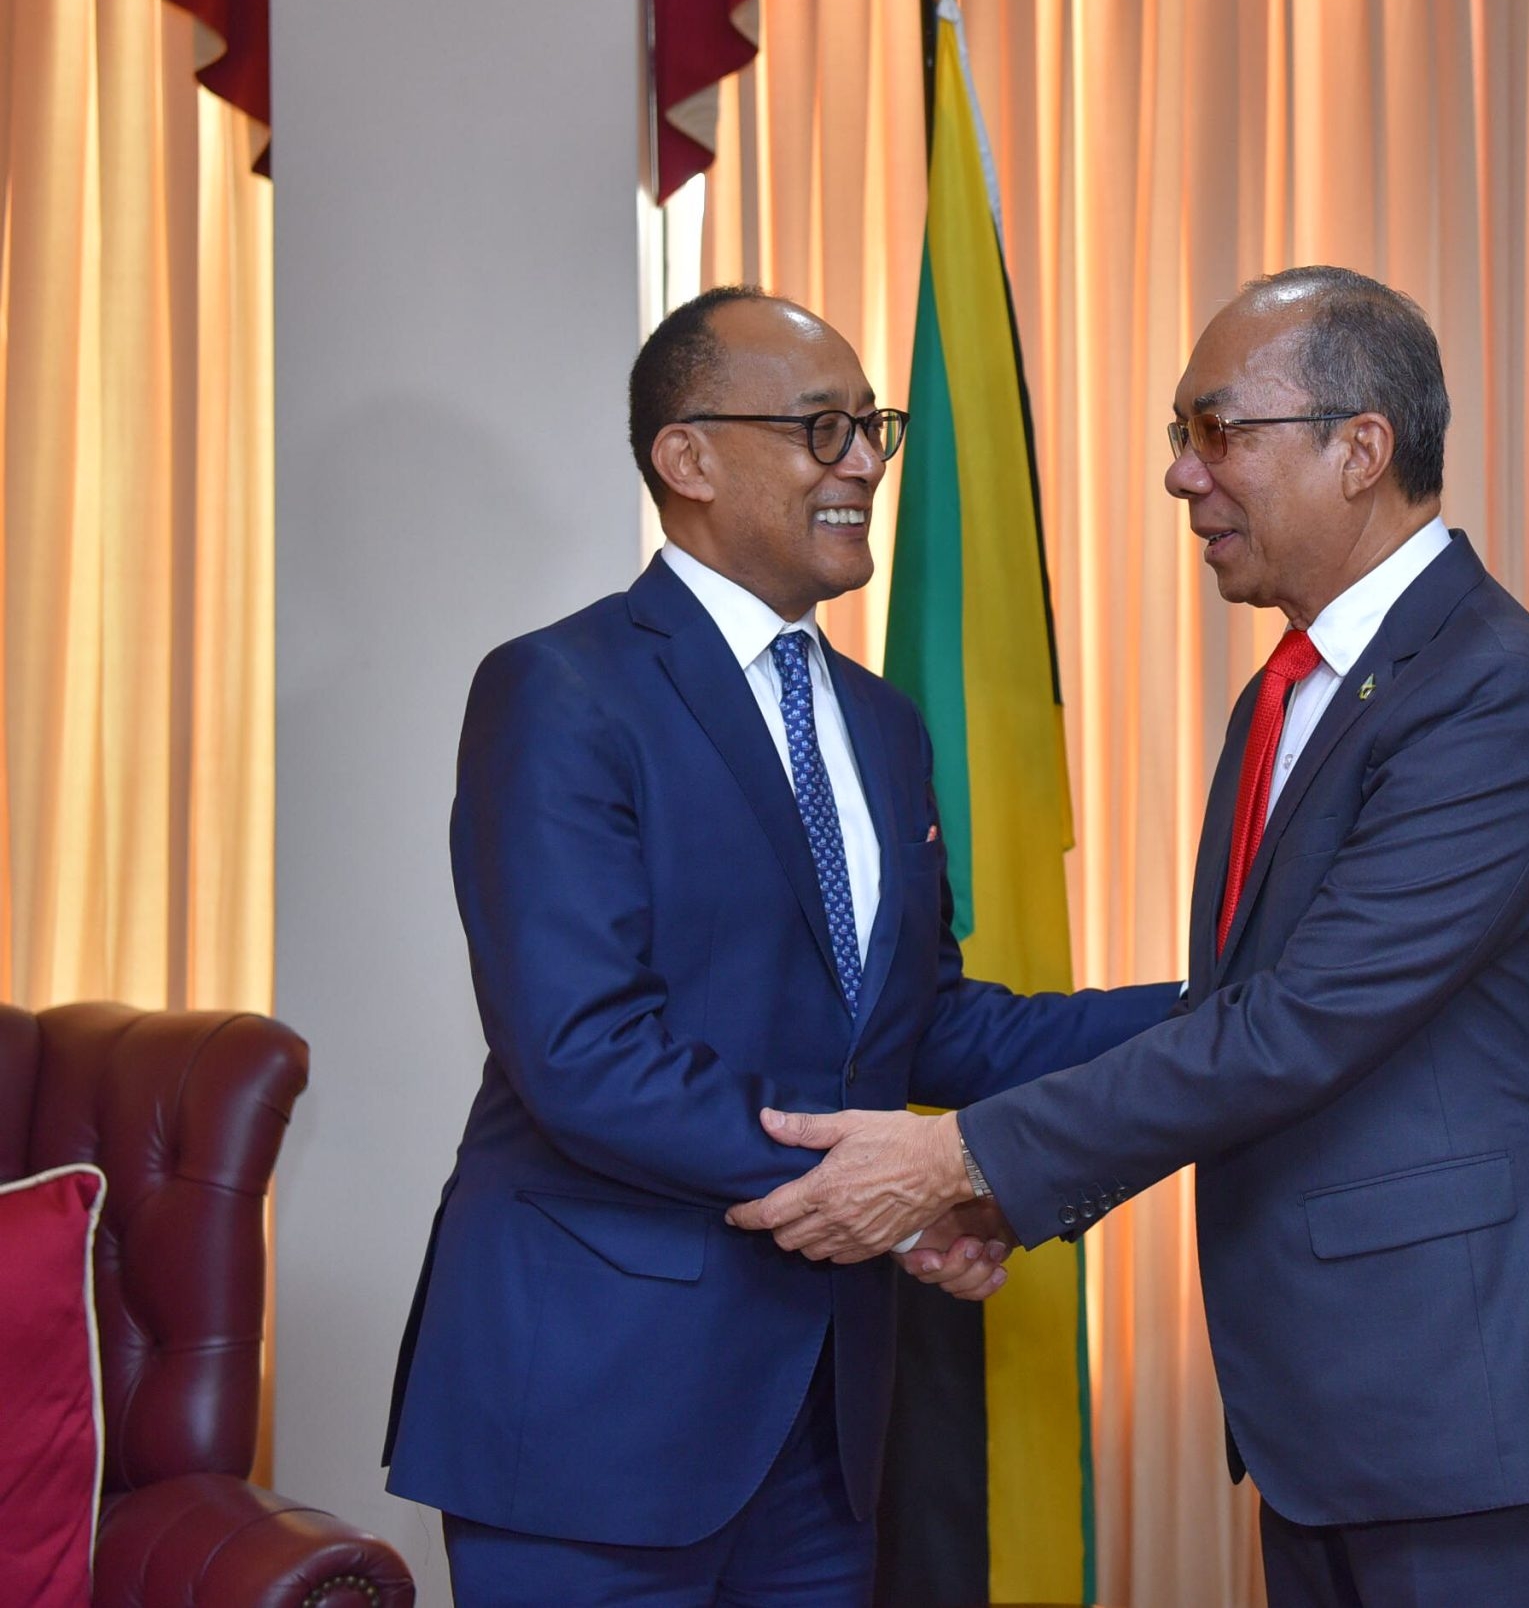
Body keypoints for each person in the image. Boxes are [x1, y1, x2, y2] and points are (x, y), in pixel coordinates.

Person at [728, 267, 1529, 1607]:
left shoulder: (1491, 694)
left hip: (1478, 1408)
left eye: (1217, 431)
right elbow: (1238, 1010)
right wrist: (1003, 1188)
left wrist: (958, 1151)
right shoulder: (1286, 696)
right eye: (1180, 436)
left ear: (1362, 449)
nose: (1183, 476)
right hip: (1332, 1413)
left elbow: (1294, 1025)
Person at [382, 285, 1175, 1607]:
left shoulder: (881, 727)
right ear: (684, 457)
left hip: (822, 1429)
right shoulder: (559, 692)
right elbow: (585, 1056)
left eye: (872, 426)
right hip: (594, 1413)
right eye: (822, 427)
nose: (863, 460)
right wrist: (900, 1195)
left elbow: (926, 1024)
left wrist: (1231, 998)